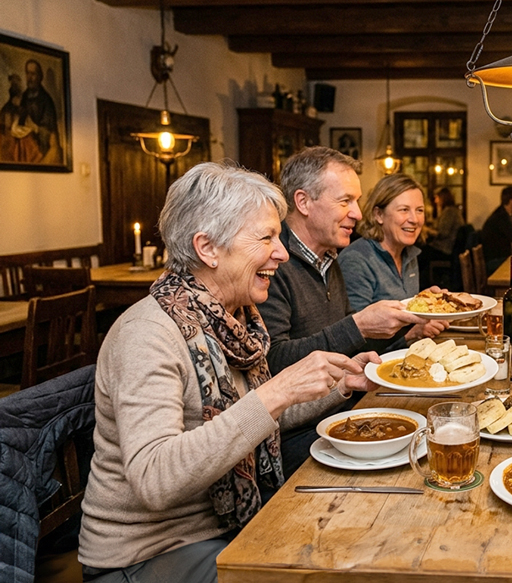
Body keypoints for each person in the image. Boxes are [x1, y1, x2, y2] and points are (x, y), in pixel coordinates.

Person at [78, 162, 379, 583]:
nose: (283, 252)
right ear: (208, 249)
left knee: (358, 541)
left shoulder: (234, 321)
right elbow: (155, 478)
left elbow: (254, 424)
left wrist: (341, 386)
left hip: (224, 525)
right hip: (149, 553)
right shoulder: (148, 334)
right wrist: (276, 393)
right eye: (266, 237)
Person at [256, 147, 440, 474]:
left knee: (438, 428)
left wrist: (400, 329)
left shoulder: (330, 260)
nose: (357, 213)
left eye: (356, 201)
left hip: (343, 410)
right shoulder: (273, 265)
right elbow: (272, 363)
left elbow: (346, 347)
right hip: (296, 436)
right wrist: (358, 326)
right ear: (303, 202)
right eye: (345, 201)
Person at [339, 174, 441, 326]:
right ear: (378, 215)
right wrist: (409, 335)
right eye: (404, 210)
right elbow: (355, 335)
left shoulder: (409, 253)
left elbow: (403, 311)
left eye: (419, 210)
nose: (414, 219)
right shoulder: (356, 260)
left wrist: (425, 300)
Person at [9, 59, 60, 164]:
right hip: (23, 145)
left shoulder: (46, 101)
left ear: (40, 77)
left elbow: (50, 134)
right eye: (27, 73)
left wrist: (34, 127)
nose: (29, 78)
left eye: (33, 74)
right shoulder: (24, 97)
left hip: (39, 148)